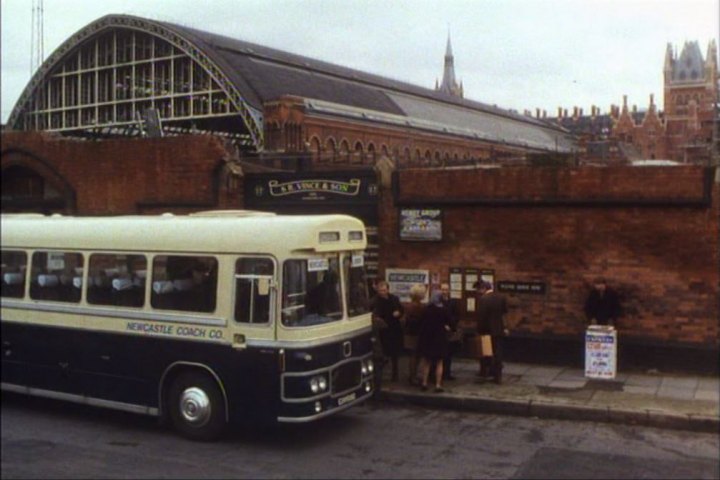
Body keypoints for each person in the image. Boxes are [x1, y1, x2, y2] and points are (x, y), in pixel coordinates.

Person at [417, 291, 452, 393]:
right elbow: (450, 322)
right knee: (439, 362)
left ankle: (424, 383)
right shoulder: (443, 310)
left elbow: (420, 322)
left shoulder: (426, 310)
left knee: (427, 361)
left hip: (427, 338)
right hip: (440, 338)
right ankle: (438, 384)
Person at [370, 280, 404, 382]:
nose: (382, 292)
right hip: (382, 330)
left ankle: (395, 374)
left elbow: (402, 310)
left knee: (395, 353)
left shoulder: (394, 299)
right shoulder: (375, 301)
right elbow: (372, 314)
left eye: (384, 290)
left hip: (394, 328)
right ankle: (379, 375)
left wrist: (399, 313)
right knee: (382, 353)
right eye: (380, 291)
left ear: (388, 290)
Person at [475, 280, 508, 384]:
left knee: (486, 353)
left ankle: (486, 372)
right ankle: (498, 376)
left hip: (486, 331)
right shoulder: (501, 297)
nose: (479, 292)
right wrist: (505, 328)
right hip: (499, 330)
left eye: (480, 290)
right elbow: (504, 314)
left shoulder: (483, 299)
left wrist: (479, 330)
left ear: (484, 289)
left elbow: (481, 317)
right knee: (498, 353)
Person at [403, 283, 426, 385]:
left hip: (409, 333)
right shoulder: (419, 307)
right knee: (415, 356)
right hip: (416, 334)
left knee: (413, 355)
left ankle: (413, 376)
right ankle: (413, 377)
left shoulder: (408, 306)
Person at [439, 282, 461, 381]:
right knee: (440, 354)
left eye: (446, 289)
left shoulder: (453, 302)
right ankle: (438, 373)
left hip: (450, 331)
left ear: (449, 291)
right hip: (439, 331)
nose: (444, 292)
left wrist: (452, 326)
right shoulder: (437, 302)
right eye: (443, 289)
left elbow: (457, 316)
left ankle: (447, 373)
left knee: (449, 354)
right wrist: (443, 325)